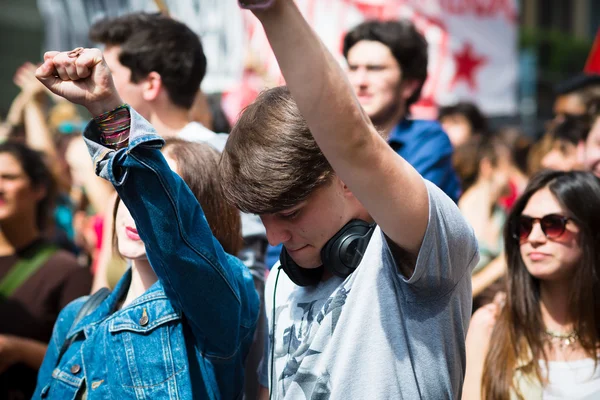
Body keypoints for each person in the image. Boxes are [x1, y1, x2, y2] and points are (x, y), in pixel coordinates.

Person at [224, 1, 477, 398]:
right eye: (263, 216)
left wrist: (272, 10)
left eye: (290, 211)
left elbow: (356, 142)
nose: (274, 238)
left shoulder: (419, 250)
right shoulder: (280, 282)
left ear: (345, 178)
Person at [34, 48, 260, 398]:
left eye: (155, 198)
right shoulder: (76, 317)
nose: (137, 210)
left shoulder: (224, 299)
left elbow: (175, 233)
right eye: (129, 195)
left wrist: (108, 111)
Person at [463, 170, 600, 399]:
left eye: (553, 224)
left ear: (591, 231)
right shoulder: (490, 326)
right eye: (525, 226)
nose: (534, 238)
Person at [0, 141, 92, 399]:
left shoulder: (67, 271)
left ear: (38, 188)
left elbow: (84, 361)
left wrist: (17, 349)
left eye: (8, 178)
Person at [343, 19, 461, 202]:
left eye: (375, 69)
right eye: (352, 68)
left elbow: (405, 210)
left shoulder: (429, 139)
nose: (360, 81)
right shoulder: (331, 136)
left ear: (409, 85)